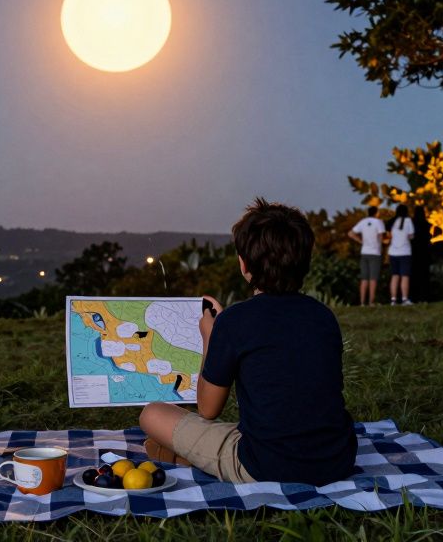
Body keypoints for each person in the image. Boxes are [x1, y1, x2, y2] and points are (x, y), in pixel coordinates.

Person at [138, 198, 355, 485]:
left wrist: (211, 337)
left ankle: (183, 457)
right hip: (336, 461)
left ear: (244, 264)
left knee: (152, 413)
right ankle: (183, 456)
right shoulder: (324, 316)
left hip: (267, 466)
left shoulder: (235, 321)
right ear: (305, 261)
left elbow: (207, 409)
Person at [348, 205, 386, 306]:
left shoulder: (363, 222)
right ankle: (371, 301)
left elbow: (351, 233)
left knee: (364, 278)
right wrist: (381, 247)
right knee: (373, 278)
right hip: (375, 252)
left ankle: (362, 302)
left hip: (364, 252)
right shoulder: (379, 222)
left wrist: (360, 241)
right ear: (376, 213)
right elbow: (381, 236)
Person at [385, 204, 415, 305]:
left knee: (395, 276)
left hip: (393, 252)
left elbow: (389, 235)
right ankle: (404, 298)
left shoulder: (392, 222)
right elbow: (411, 235)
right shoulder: (408, 221)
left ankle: (393, 299)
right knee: (405, 276)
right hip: (405, 252)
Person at [410, 206, 432, 302]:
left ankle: (414, 297)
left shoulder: (411, 223)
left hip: (413, 253)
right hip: (424, 253)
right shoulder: (426, 225)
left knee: (414, 276)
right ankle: (425, 297)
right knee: (424, 276)